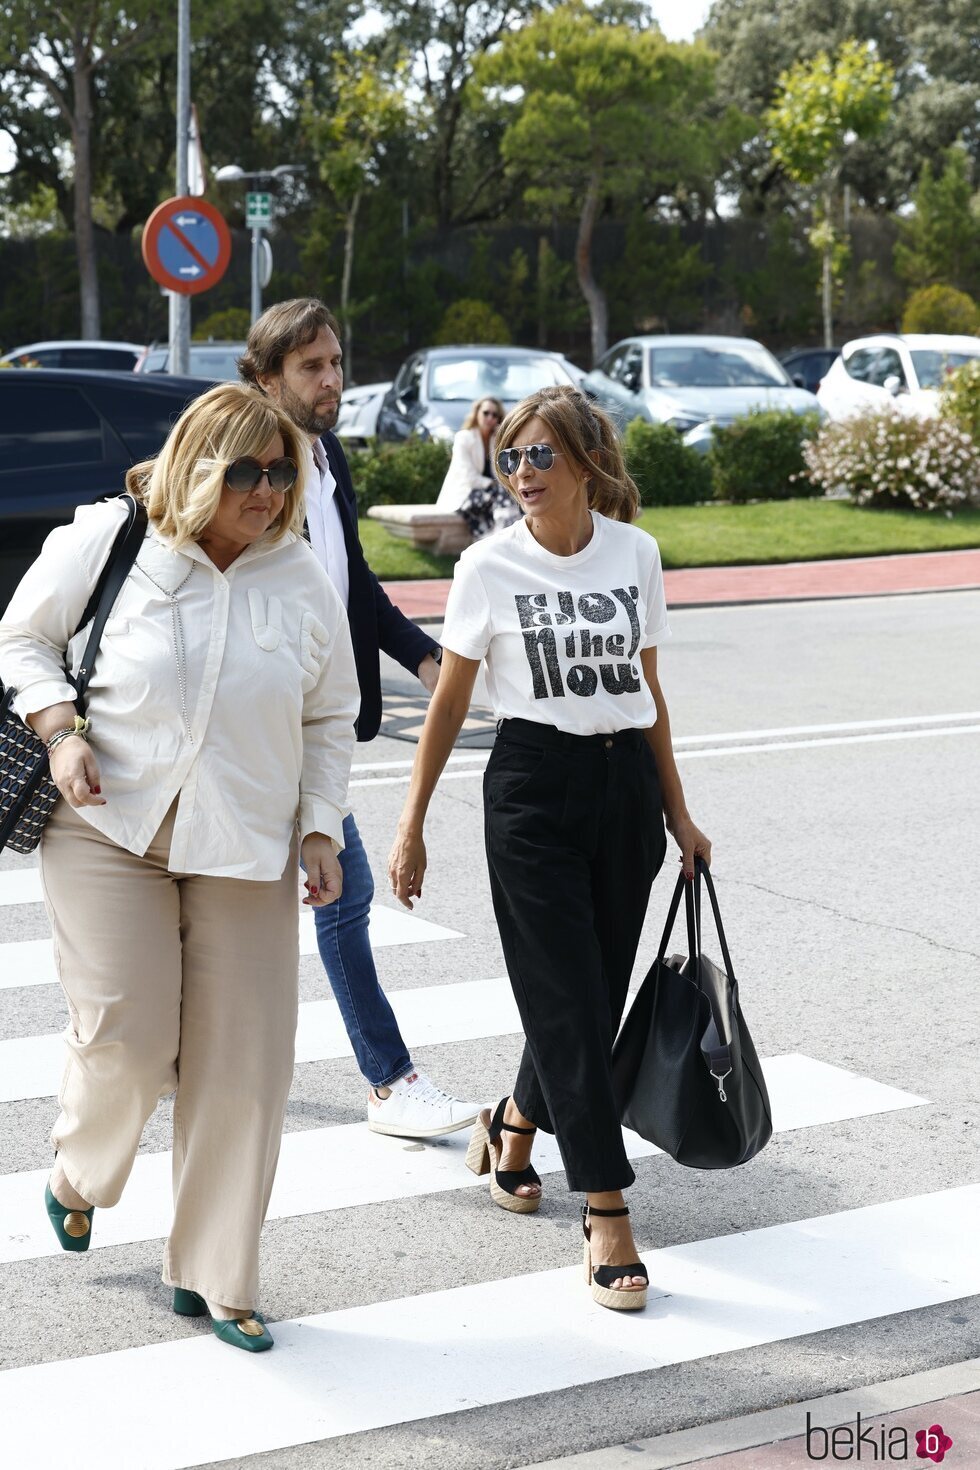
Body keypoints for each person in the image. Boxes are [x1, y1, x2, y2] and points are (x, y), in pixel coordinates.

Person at [0, 382, 359, 1352]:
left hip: (243, 847)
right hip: (107, 828)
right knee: (126, 1034)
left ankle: (216, 1275)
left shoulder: (297, 577)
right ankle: (79, 1172)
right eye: (247, 469)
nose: (268, 488)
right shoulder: (113, 538)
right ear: (200, 465)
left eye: (281, 470)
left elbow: (330, 717)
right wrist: (61, 728)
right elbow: (23, 635)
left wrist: (319, 828)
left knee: (244, 1068)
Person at [388, 385, 711, 1312]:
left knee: (592, 995)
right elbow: (449, 702)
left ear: (583, 463)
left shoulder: (635, 555)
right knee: (565, 997)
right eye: (510, 459)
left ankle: (514, 1119)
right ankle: (605, 1209)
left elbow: (648, 692)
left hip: (623, 793)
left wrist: (678, 815)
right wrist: (412, 824)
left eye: (539, 458)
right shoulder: (488, 568)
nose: (522, 474)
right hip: (530, 786)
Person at [239, 299, 482, 1138]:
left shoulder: (325, 458)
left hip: (313, 726)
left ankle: (175, 1054)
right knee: (339, 896)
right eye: (312, 367)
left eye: (336, 361)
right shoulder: (253, 473)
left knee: (288, 900)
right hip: (263, 729)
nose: (333, 379)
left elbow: (355, 589)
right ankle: (390, 1081)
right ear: (267, 379)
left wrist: (428, 660)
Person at [435, 396, 520, 539]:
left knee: (513, 496)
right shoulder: (464, 438)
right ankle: (500, 537)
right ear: (477, 413)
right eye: (486, 413)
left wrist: (504, 434)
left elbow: (506, 468)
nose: (490, 418)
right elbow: (468, 476)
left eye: (495, 415)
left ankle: (509, 537)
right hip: (467, 493)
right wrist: (493, 484)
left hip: (493, 492)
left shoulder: (496, 440)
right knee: (502, 495)